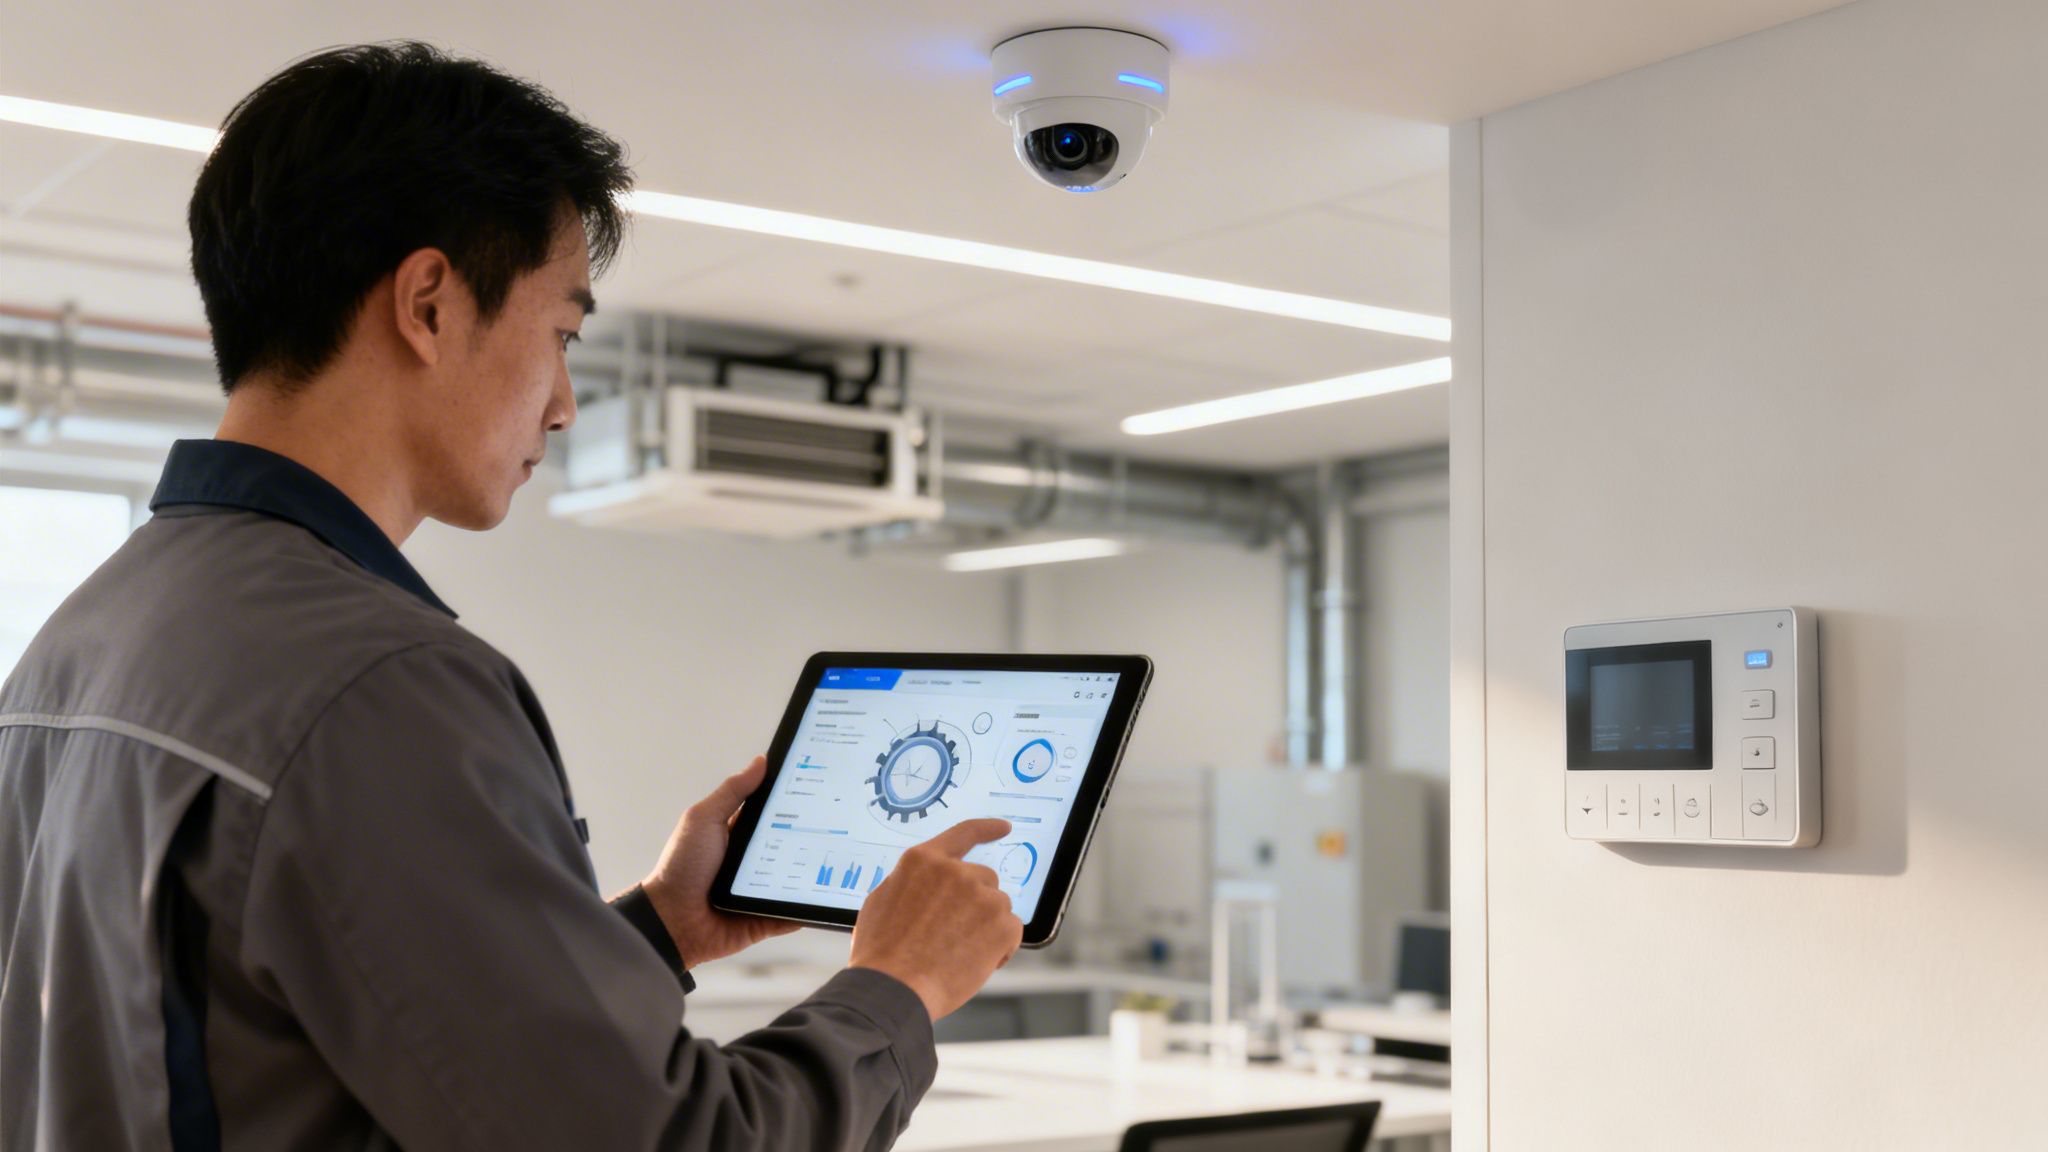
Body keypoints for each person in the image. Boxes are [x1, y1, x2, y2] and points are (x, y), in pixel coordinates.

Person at [0, 42, 1024, 1151]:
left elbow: (298, 1032)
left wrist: (657, 929)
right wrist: (897, 986)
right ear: (429, 304)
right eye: (562, 334)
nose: (565, 403)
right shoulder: (377, 689)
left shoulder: (75, 642)